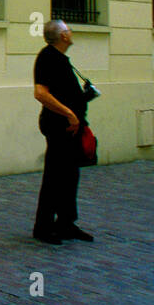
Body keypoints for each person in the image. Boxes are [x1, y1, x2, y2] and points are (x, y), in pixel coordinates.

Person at [32, 19, 94, 244]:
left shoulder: (61, 59)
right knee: (55, 176)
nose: (71, 32)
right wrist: (68, 113)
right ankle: (43, 226)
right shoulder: (47, 57)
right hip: (58, 125)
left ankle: (66, 223)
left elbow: (63, 91)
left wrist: (82, 98)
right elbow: (40, 93)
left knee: (70, 175)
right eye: (68, 30)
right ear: (63, 37)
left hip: (72, 127)